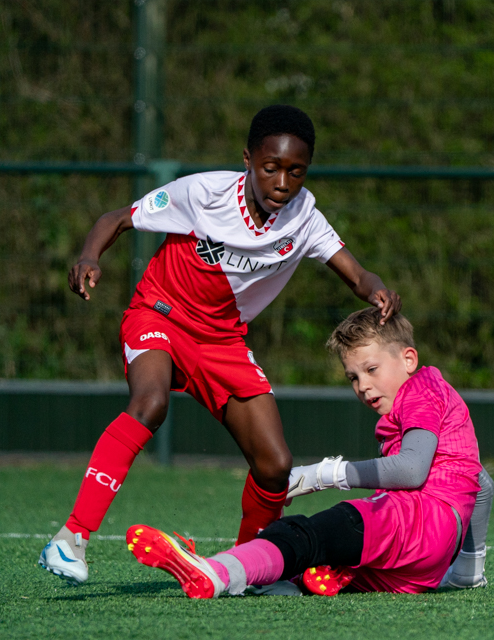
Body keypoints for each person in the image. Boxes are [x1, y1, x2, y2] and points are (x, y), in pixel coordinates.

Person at [40, 105, 401, 586]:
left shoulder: (305, 217)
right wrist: (89, 256)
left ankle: (245, 566)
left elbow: (357, 273)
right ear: (248, 159)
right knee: (149, 403)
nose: (282, 182)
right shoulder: (202, 192)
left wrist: (377, 289)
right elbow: (117, 219)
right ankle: (71, 539)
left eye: (296, 171)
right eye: (271, 167)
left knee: (275, 466)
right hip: (160, 315)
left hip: (223, 341)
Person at [125, 308, 493, 597]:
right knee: (317, 554)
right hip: (420, 570)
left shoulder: (422, 389)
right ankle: (286, 582)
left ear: (409, 360)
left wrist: (323, 474)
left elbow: (412, 470)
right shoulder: (428, 398)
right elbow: (483, 483)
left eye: (372, 369)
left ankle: (216, 572)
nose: (363, 386)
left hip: (416, 525)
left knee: (310, 533)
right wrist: (466, 572)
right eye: (353, 377)